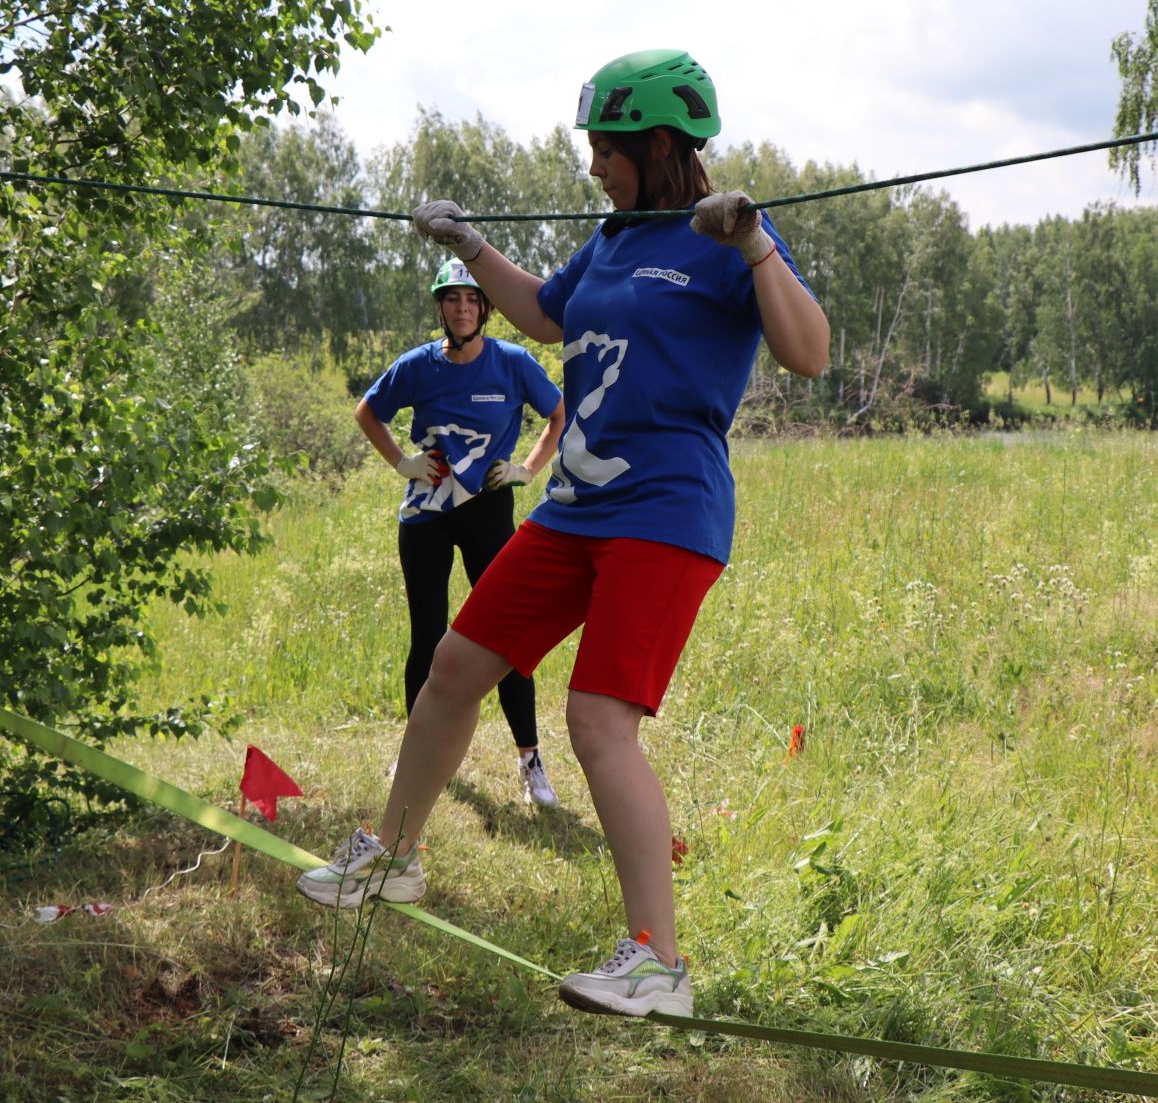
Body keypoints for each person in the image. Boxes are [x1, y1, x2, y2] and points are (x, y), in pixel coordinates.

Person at [299, 49, 829, 1019]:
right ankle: (394, 859)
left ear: (657, 145)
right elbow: (545, 313)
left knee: (596, 719)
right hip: (576, 505)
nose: (594, 165)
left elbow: (808, 351)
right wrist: (467, 245)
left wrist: (754, 244)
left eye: (606, 149)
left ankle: (656, 962)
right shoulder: (615, 238)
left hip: (666, 513)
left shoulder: (726, 237)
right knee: (456, 667)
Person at [354, 259, 567, 804]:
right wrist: (402, 462)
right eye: (453, 299)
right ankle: (417, 756)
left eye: (472, 299)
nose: (463, 308)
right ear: (441, 307)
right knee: (427, 635)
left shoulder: (514, 363)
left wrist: (527, 469)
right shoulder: (417, 365)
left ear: (487, 308)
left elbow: (559, 416)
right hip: (425, 512)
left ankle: (531, 759)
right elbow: (367, 413)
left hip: (487, 511)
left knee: (507, 638)